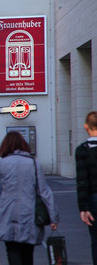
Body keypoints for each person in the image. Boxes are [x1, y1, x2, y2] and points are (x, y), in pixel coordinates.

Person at [0, 131, 59, 264]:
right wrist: (53, 216)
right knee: (28, 252)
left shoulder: (2, 164)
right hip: (29, 213)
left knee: (12, 250)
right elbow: (44, 192)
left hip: (7, 214)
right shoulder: (34, 164)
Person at [76, 111, 97, 264]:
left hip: (94, 198)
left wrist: (83, 207)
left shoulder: (83, 150)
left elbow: (82, 180)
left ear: (86, 127)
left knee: (95, 239)